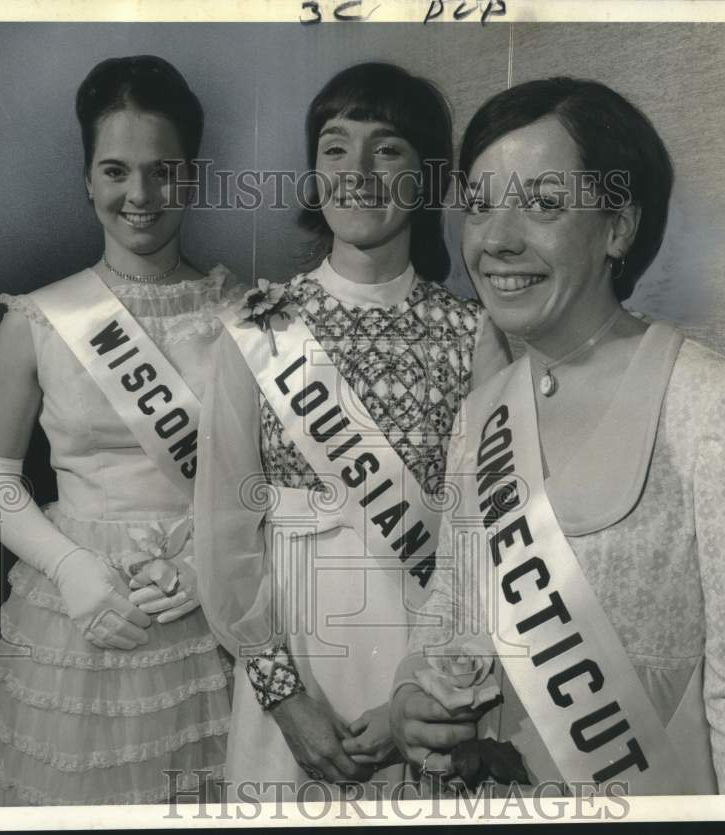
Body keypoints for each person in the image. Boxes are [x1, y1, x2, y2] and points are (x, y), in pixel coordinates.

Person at [389, 77, 725, 795]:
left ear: (619, 227)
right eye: (481, 206)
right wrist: (412, 697)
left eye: (545, 205)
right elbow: (450, 610)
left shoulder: (718, 405)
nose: (497, 240)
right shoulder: (483, 411)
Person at [194, 62, 511, 797]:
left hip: (420, 680)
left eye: (388, 149)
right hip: (292, 681)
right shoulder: (256, 327)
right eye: (336, 148)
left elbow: (485, 542)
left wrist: (421, 706)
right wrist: (286, 701)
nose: (358, 172)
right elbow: (225, 541)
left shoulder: (478, 336)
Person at [0, 55, 234, 806]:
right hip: (75, 612)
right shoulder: (37, 320)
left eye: (162, 170)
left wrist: (214, 563)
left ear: (194, 174)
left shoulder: (247, 314)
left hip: (207, 610)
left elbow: (272, 479)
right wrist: (71, 568)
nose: (139, 195)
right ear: (87, 178)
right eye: (115, 171)